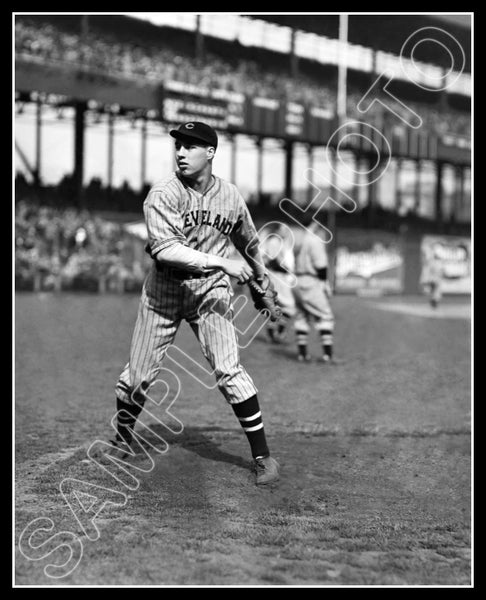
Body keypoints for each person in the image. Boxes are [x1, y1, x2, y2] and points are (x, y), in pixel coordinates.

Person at [103, 121, 279, 485]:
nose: (180, 153)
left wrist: (261, 282)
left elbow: (248, 242)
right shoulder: (163, 193)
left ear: (210, 152)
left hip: (210, 292)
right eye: (178, 146)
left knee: (230, 370)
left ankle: (263, 457)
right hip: (164, 292)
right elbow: (166, 250)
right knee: (138, 378)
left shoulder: (230, 196)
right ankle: (122, 439)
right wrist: (223, 262)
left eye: (190, 146)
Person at [292, 214, 341, 364]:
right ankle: (328, 355)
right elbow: (320, 265)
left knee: (302, 317)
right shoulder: (314, 240)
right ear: (313, 224)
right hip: (311, 281)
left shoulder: (297, 240)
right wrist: (324, 283)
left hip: (297, 281)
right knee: (325, 316)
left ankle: (302, 354)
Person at [260, 222, 297, 343]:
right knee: (289, 305)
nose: (286, 231)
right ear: (278, 230)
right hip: (276, 276)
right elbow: (273, 261)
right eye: (284, 229)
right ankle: (277, 332)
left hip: (276, 276)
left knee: (277, 305)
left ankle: (274, 332)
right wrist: (286, 271)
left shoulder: (277, 241)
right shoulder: (274, 241)